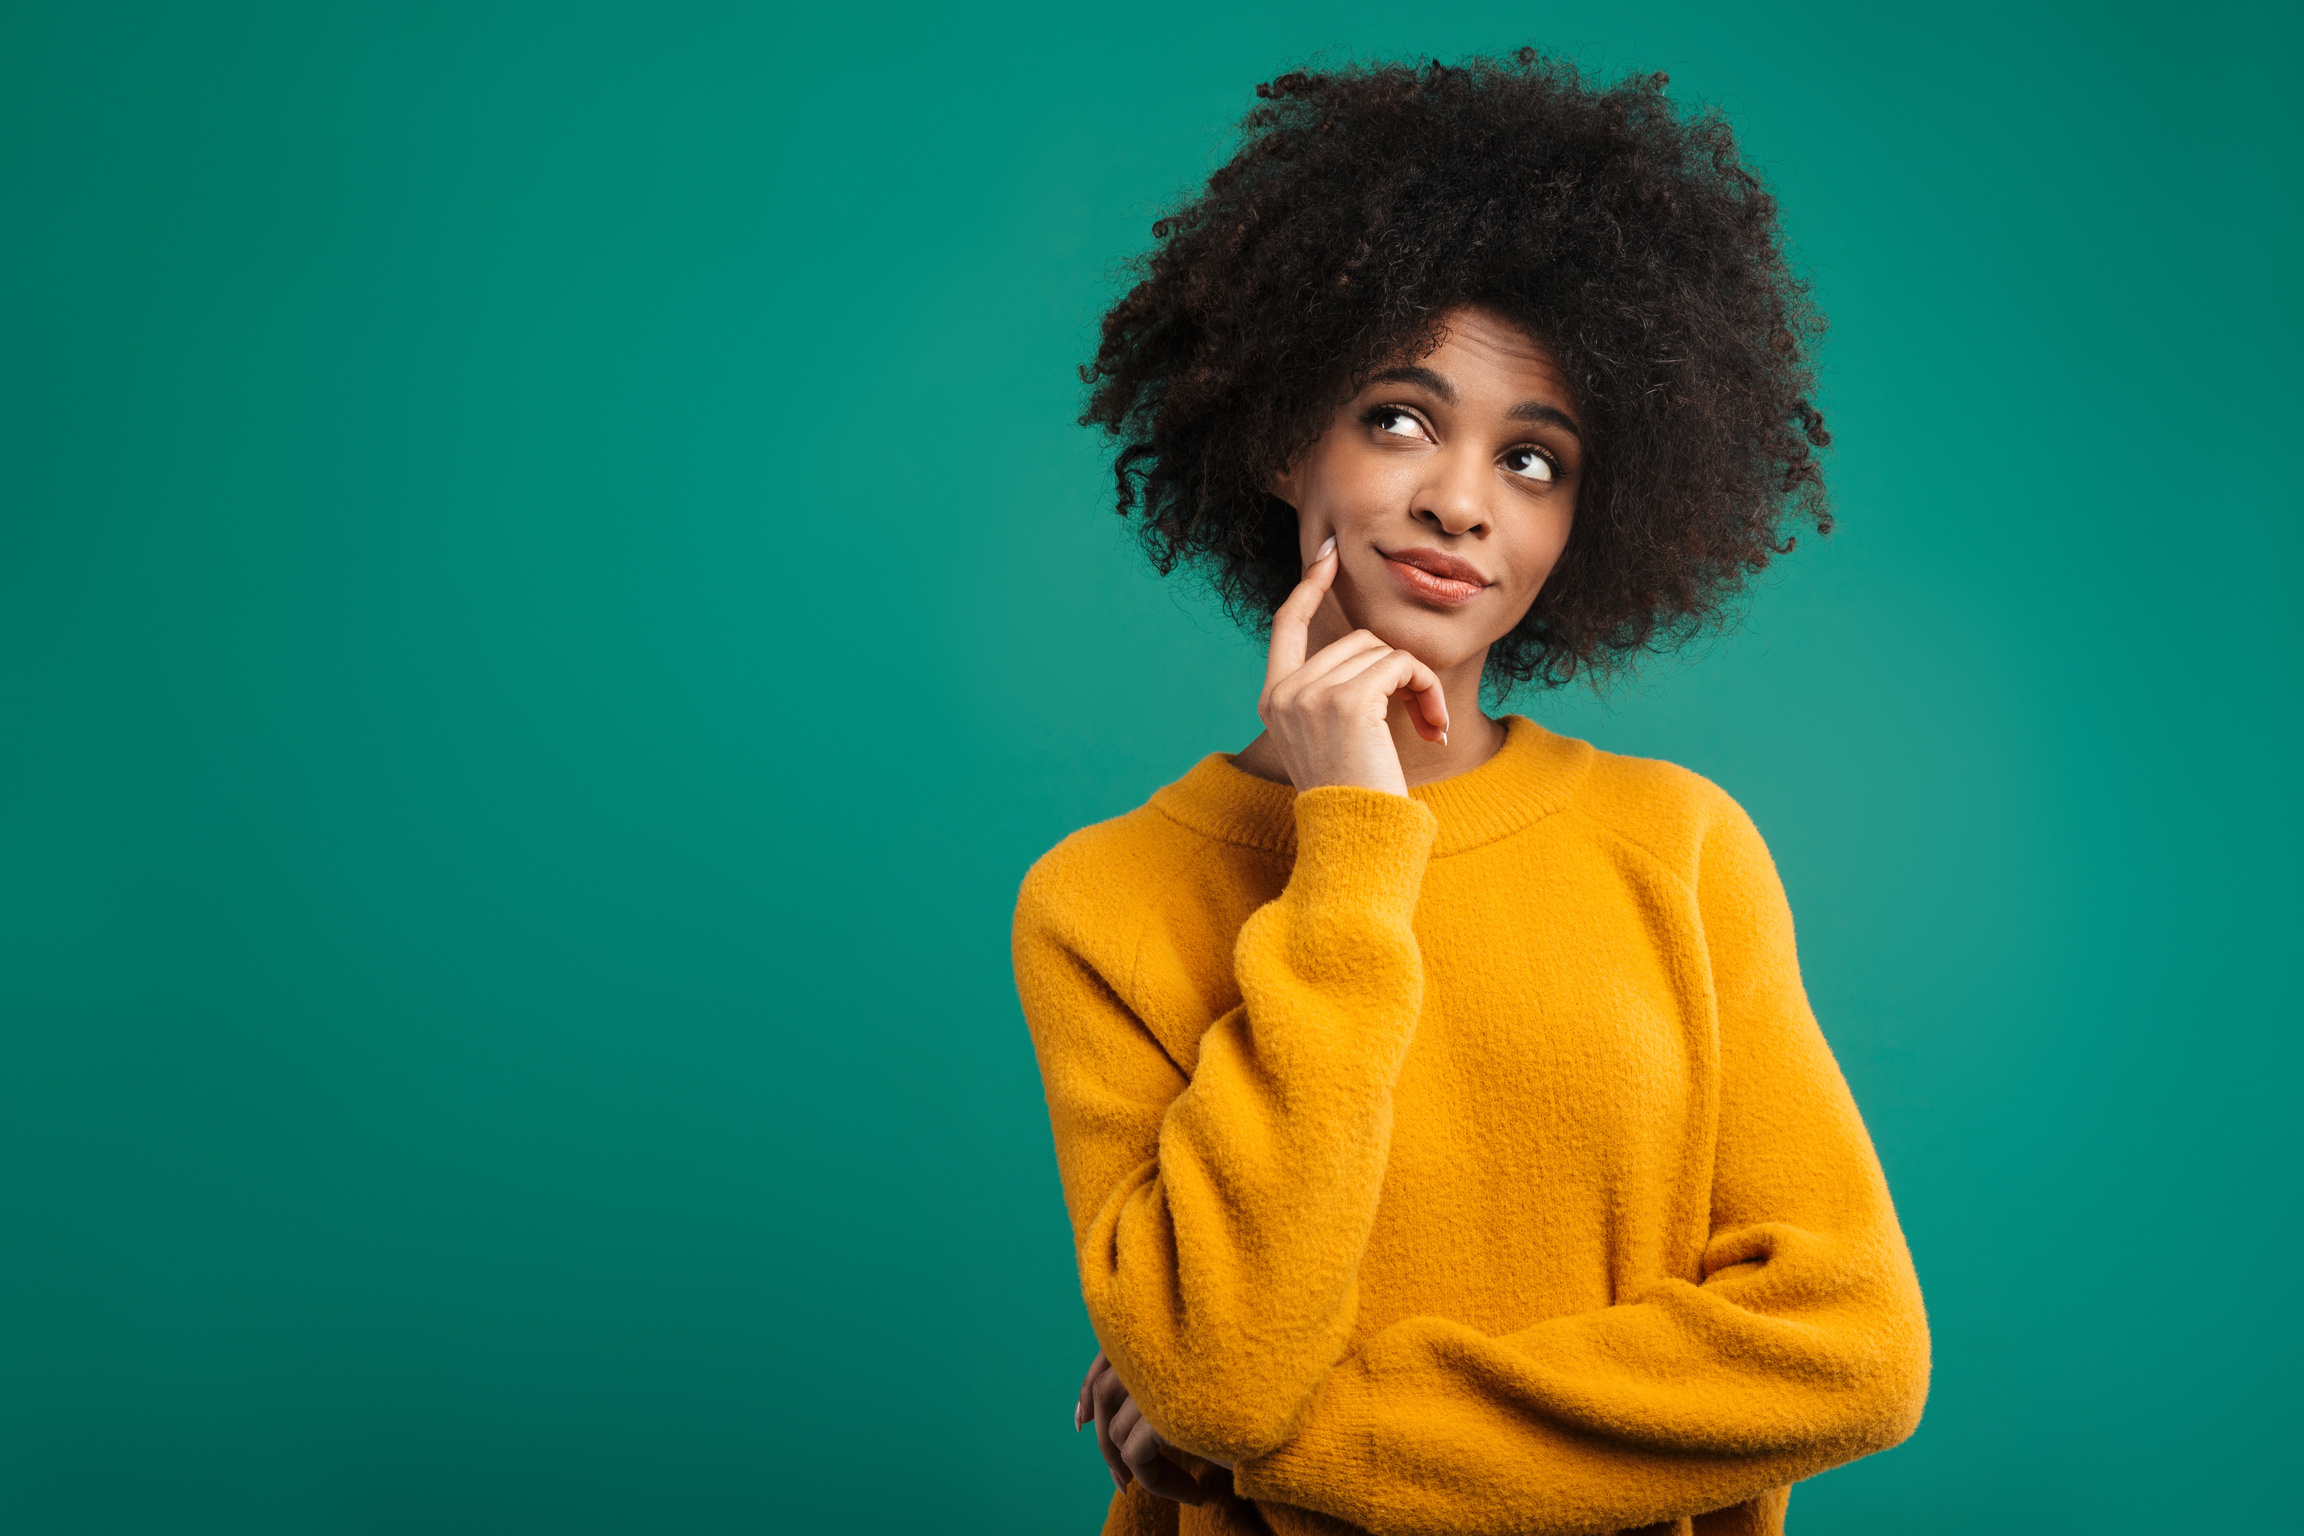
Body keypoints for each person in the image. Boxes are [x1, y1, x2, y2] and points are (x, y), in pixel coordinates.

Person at [1012, 50, 1929, 1536]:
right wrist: (1353, 848)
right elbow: (1226, 1374)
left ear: (1589, 518)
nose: (1462, 499)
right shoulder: (1101, 902)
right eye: (1398, 418)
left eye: (1535, 458)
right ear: (1275, 431)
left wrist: (1322, 1442)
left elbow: (1854, 1353)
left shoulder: (1677, 848)